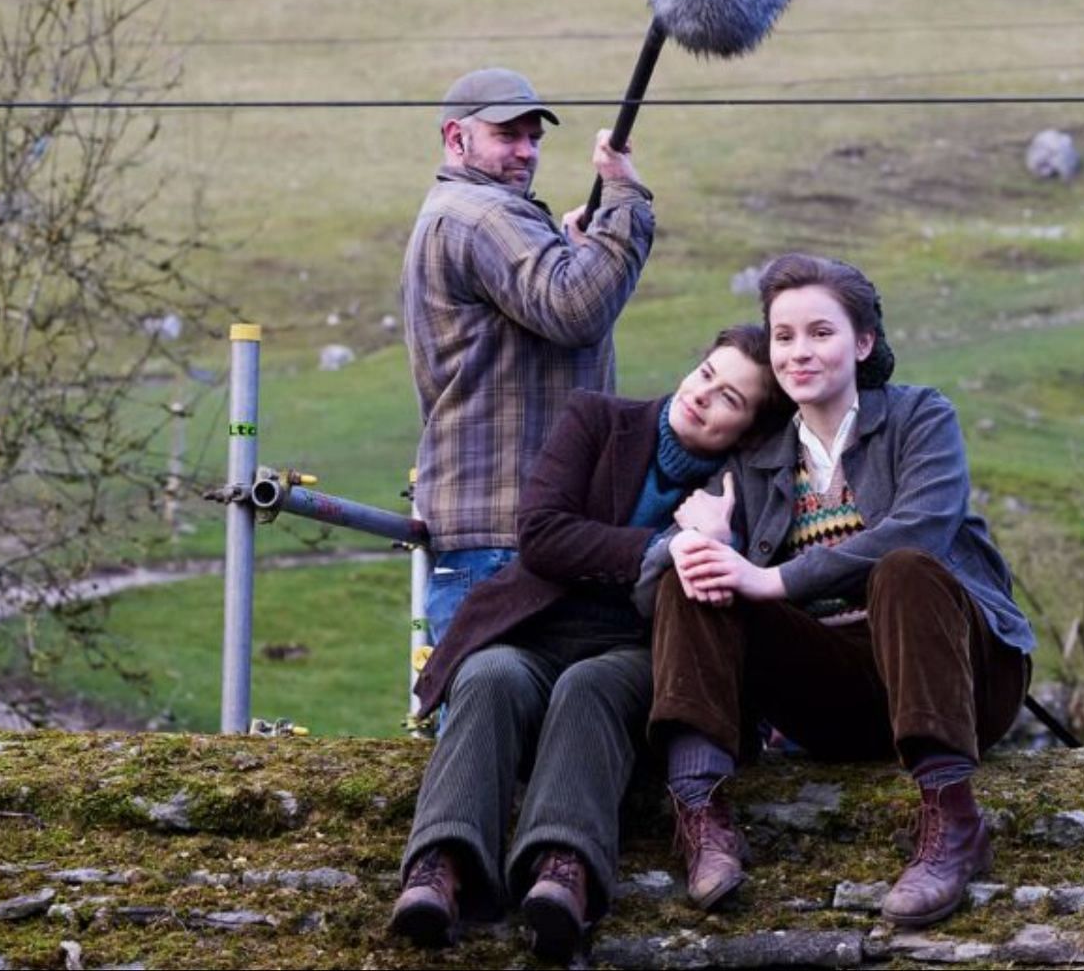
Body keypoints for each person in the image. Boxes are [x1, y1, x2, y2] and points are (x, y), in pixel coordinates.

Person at [644, 253, 1037, 928]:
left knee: (905, 565)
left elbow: (924, 526)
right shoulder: (755, 460)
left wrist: (773, 578)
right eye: (784, 336)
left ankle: (952, 824)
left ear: (862, 343)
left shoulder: (919, 417)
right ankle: (703, 820)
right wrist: (695, 543)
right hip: (835, 695)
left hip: (964, 680)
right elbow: (650, 585)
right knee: (696, 573)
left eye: (820, 333)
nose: (799, 351)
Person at [389, 325, 789, 959]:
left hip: (638, 649)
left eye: (730, 399)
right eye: (707, 374)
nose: (704, 395)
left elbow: (731, 601)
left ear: (748, 431)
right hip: (536, 629)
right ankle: (440, 869)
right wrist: (663, 548)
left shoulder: (744, 486)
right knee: (490, 675)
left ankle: (563, 873)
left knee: (590, 686)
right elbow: (543, 533)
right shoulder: (598, 420)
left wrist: (718, 541)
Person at [402, 66, 655, 647]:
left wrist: (574, 251)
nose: (525, 152)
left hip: (501, 532)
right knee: (505, 721)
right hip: (509, 536)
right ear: (455, 138)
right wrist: (623, 196)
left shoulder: (457, 212)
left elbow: (547, 310)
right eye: (507, 136)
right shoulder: (483, 214)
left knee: (499, 722)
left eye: (534, 138)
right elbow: (574, 310)